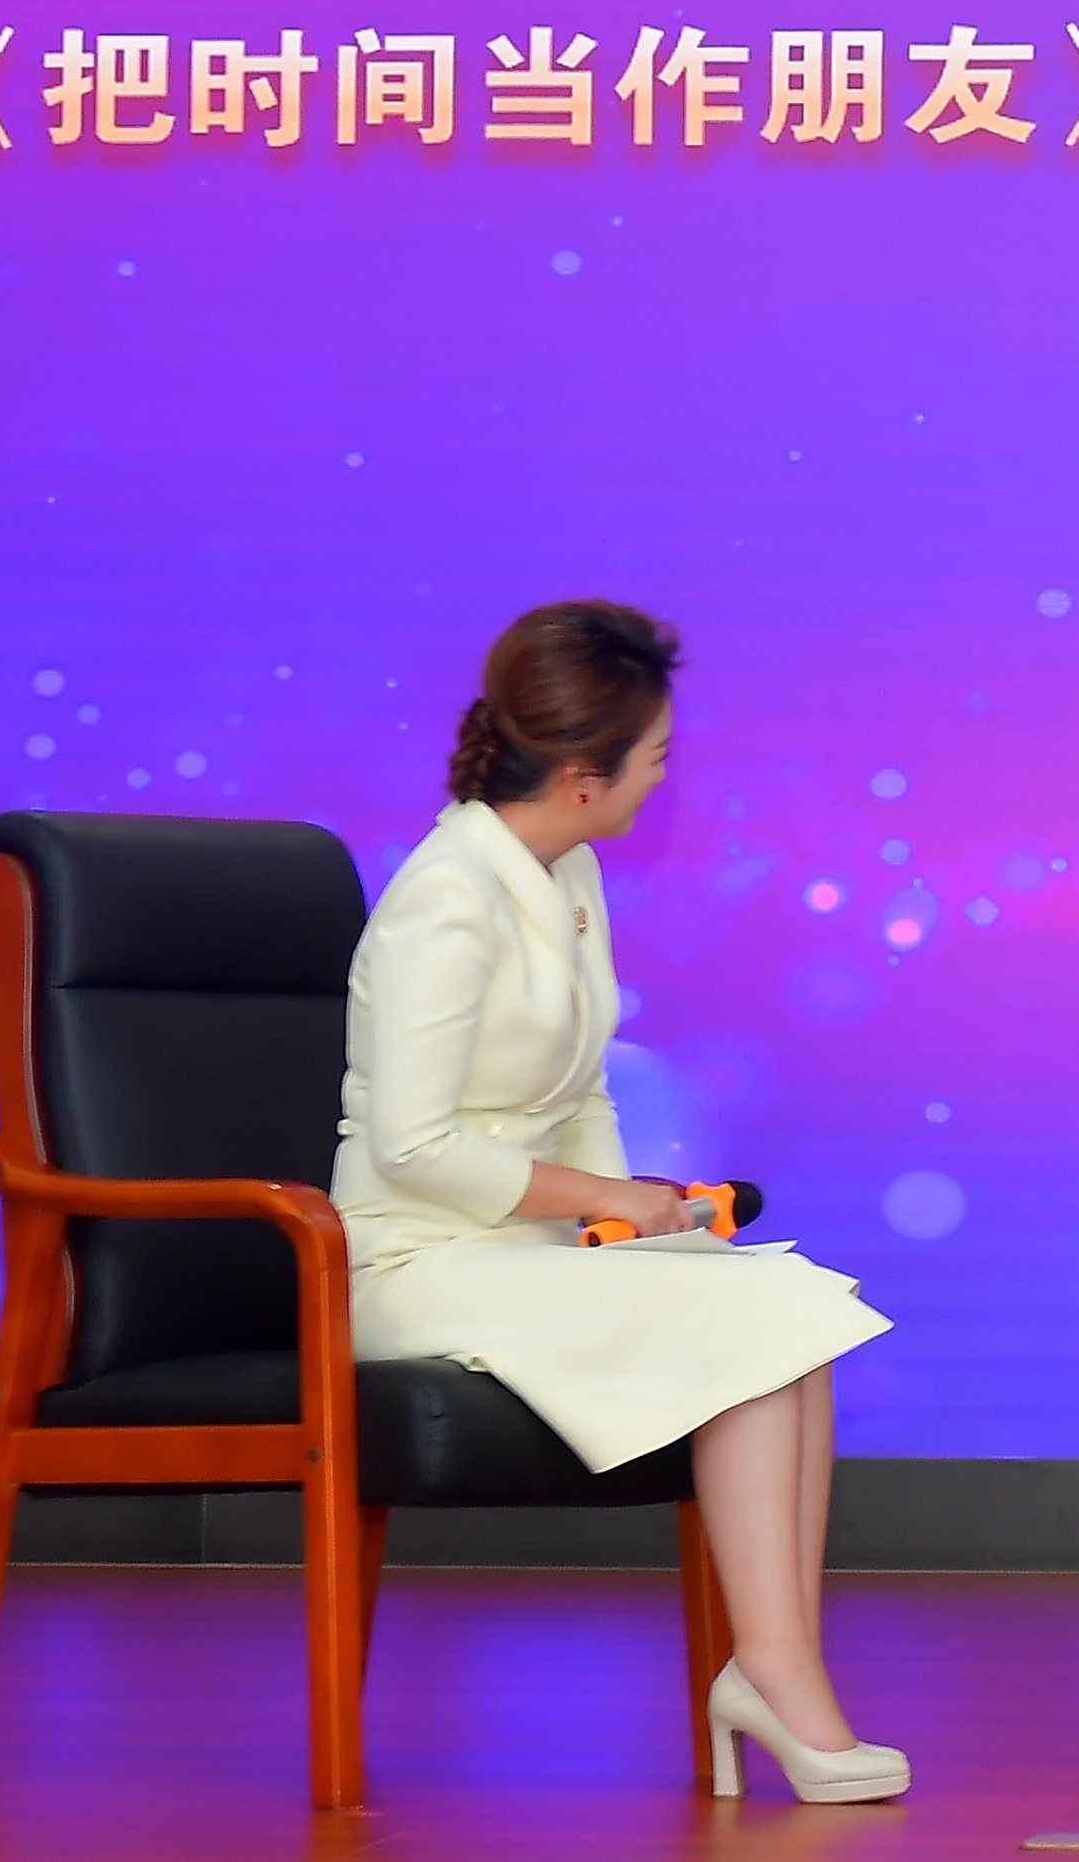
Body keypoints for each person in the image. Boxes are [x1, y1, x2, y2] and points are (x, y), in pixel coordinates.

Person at [335, 602, 902, 1804]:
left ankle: (772, 1669)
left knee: (790, 1305)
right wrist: (595, 1197)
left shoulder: (564, 872)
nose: (662, 780)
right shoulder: (447, 898)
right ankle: (779, 1678)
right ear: (582, 778)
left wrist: (634, 1206)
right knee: (744, 1325)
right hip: (414, 1263)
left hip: (524, 1247)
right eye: (653, 758)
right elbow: (415, 1148)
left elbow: (574, 1089)